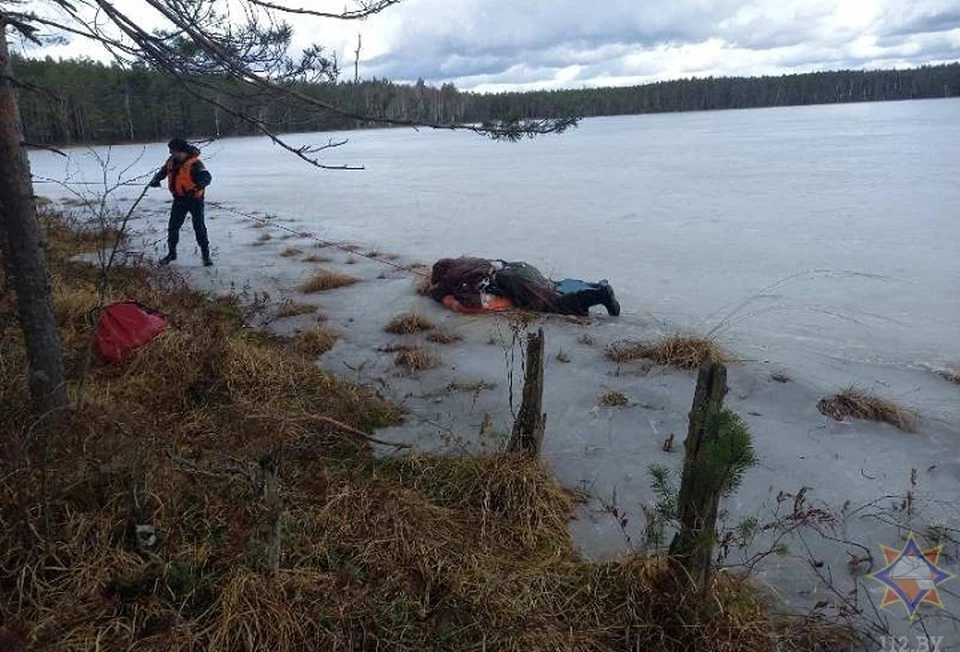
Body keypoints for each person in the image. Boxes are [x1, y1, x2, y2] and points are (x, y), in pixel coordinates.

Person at [428, 257, 620, 317]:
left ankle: (600, 295)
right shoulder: (467, 263)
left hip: (513, 281)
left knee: (553, 304)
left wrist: (448, 302)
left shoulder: (455, 281)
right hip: (519, 268)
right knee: (553, 286)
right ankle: (596, 285)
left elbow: (475, 305)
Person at [149, 138, 213, 267]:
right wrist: (156, 179)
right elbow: (163, 172)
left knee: (199, 227)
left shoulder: (195, 163)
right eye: (171, 151)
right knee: (173, 227)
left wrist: (196, 188)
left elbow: (207, 177)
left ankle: (206, 256)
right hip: (179, 200)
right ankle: (172, 254)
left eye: (173, 151)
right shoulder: (172, 161)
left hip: (195, 200)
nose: (171, 154)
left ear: (181, 151)